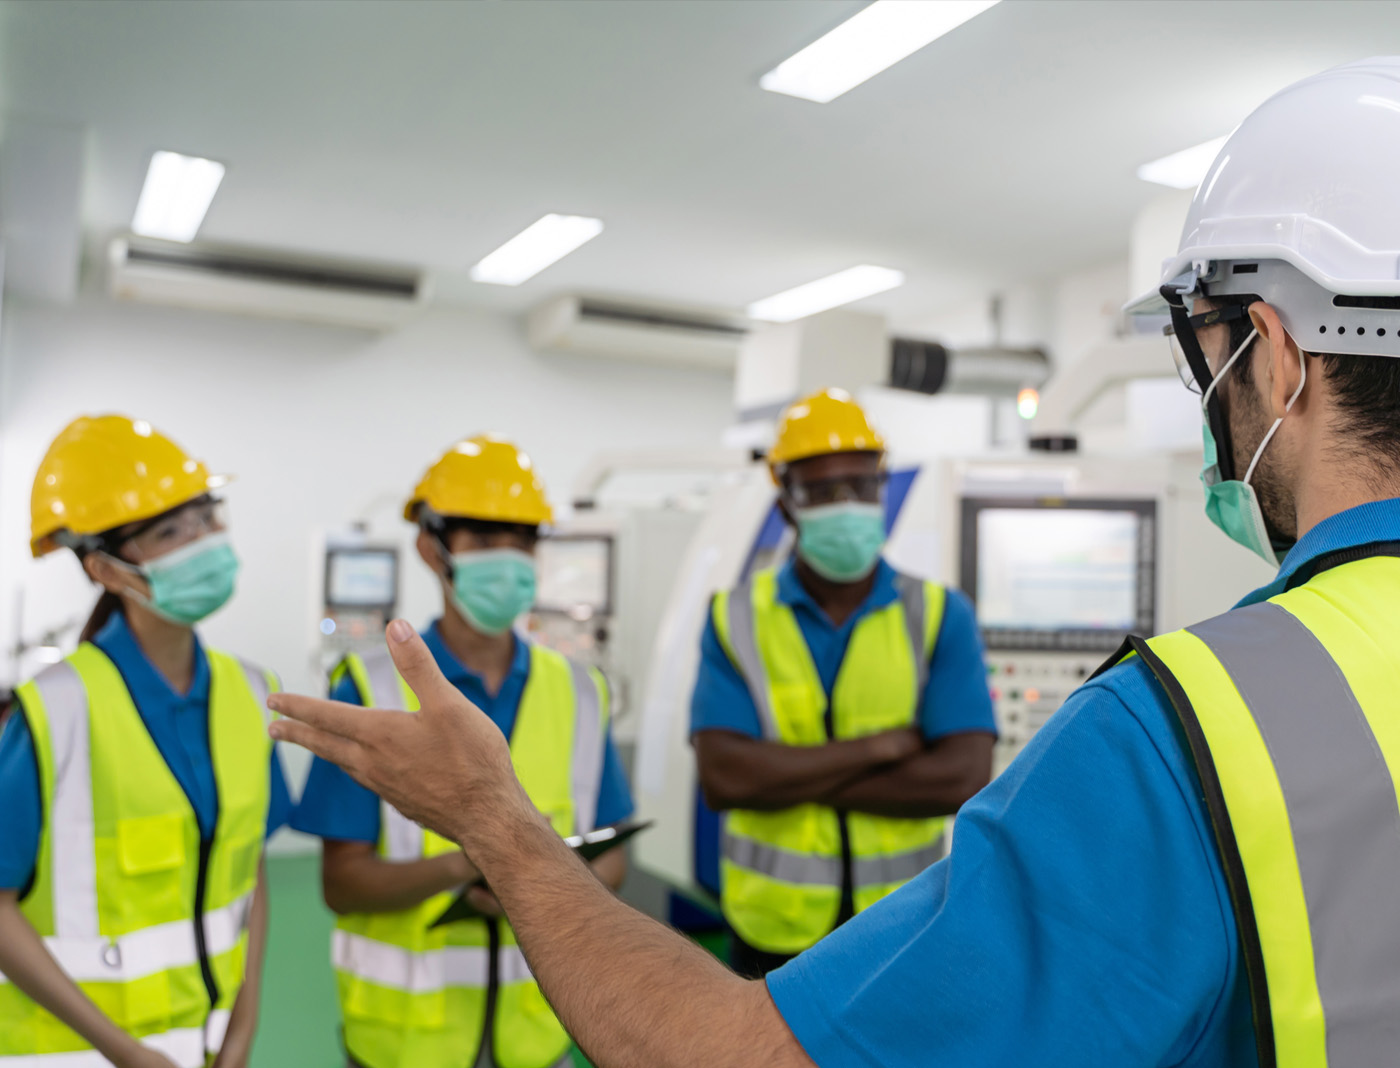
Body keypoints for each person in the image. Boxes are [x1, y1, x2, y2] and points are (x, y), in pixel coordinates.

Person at [267, 57, 1400, 1068]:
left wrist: (491, 819)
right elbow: (734, 776)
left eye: (1203, 356)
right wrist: (886, 752)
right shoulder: (748, 619)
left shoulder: (1181, 730)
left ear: (1274, 353)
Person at [290, 434, 634, 1068]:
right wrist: (467, 866)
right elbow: (343, 883)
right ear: (431, 547)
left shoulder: (580, 692)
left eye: (521, 539)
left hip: (543, 1031)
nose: (507, 558)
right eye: (483, 537)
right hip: (406, 1043)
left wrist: (533, 875)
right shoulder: (369, 688)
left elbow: (613, 858)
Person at [0, 414, 292, 1068]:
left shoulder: (251, 694)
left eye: (206, 518)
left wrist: (244, 1022)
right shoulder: (53, 711)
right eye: (169, 532)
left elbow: (249, 869)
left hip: (209, 1047)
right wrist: (125, 1052)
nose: (202, 542)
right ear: (105, 569)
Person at [690, 387, 995, 977]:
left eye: (860, 484)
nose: (846, 504)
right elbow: (725, 778)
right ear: (787, 504)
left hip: (905, 922)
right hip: (773, 929)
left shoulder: (940, 614)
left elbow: (961, 778)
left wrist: (786, 774)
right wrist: (878, 749)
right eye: (822, 490)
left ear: (881, 488)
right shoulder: (734, 617)